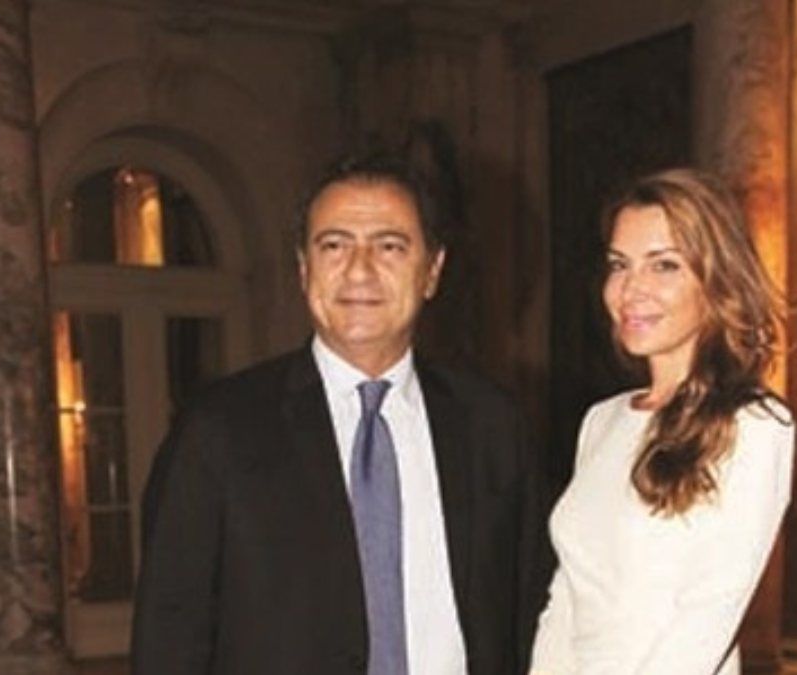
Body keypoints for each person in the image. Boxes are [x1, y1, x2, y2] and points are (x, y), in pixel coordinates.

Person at [132, 152, 544, 674]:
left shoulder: (493, 426)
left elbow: (531, 614)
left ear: (432, 271)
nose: (359, 270)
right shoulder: (217, 431)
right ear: (304, 270)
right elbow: (169, 636)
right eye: (334, 245)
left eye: (390, 246)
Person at [529, 168, 795, 674]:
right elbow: (565, 600)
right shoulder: (602, 421)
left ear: (716, 280)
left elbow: (709, 612)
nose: (631, 289)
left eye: (664, 265)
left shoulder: (755, 424)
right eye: (619, 265)